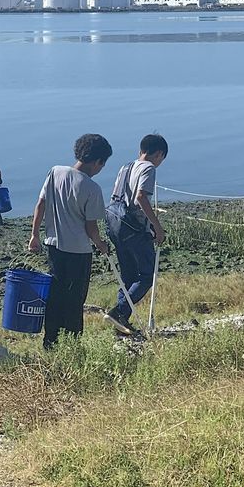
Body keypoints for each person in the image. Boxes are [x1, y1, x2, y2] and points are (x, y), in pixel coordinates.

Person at [28, 133, 113, 349]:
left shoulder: (55, 172)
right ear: (97, 162)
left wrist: (34, 235)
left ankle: (50, 341)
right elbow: (91, 228)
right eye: (102, 164)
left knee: (55, 295)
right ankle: (72, 345)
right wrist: (101, 245)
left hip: (53, 245)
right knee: (74, 300)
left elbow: (40, 205)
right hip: (78, 252)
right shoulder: (91, 188)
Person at [103, 133, 169, 337]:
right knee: (147, 275)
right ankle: (119, 312)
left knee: (128, 276)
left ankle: (121, 323)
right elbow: (140, 197)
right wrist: (157, 227)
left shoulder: (126, 167)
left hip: (113, 224)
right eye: (162, 158)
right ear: (158, 154)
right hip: (132, 228)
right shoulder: (148, 168)